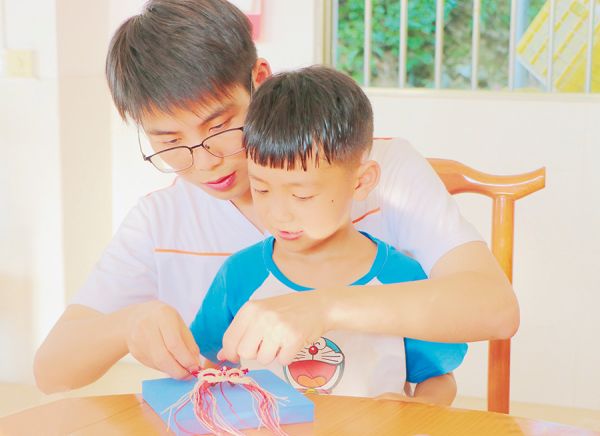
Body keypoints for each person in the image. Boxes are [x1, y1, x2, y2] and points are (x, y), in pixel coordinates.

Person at [33, 0, 517, 394]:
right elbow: (51, 370)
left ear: (259, 79)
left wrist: (323, 308)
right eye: (170, 142)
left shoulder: (383, 170)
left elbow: (495, 308)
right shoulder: (161, 220)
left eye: (220, 126)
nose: (206, 161)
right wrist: (127, 326)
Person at [190, 66, 466, 404]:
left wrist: (417, 410)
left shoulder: (401, 280)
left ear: (361, 182)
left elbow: (438, 379)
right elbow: (212, 366)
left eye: (302, 195)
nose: (278, 214)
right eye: (261, 189)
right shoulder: (239, 275)